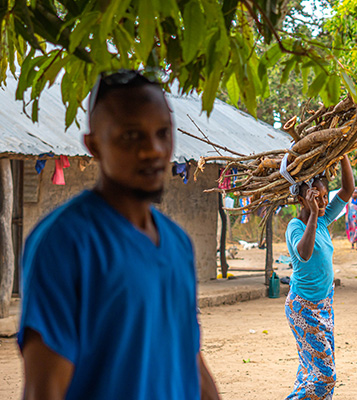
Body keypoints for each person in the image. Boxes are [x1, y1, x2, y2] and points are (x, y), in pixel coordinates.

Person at [18, 70, 220, 400]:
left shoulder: (177, 243)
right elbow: (45, 388)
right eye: (131, 136)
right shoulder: (65, 243)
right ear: (93, 145)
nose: (153, 150)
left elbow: (189, 357)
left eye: (163, 133)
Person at [285, 155, 354, 399]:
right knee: (325, 375)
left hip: (325, 305)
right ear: (301, 199)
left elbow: (348, 190)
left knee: (309, 370)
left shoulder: (324, 219)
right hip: (302, 307)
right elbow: (304, 254)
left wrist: (344, 155)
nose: (323, 202)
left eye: (325, 196)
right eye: (317, 197)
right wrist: (313, 214)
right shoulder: (295, 226)